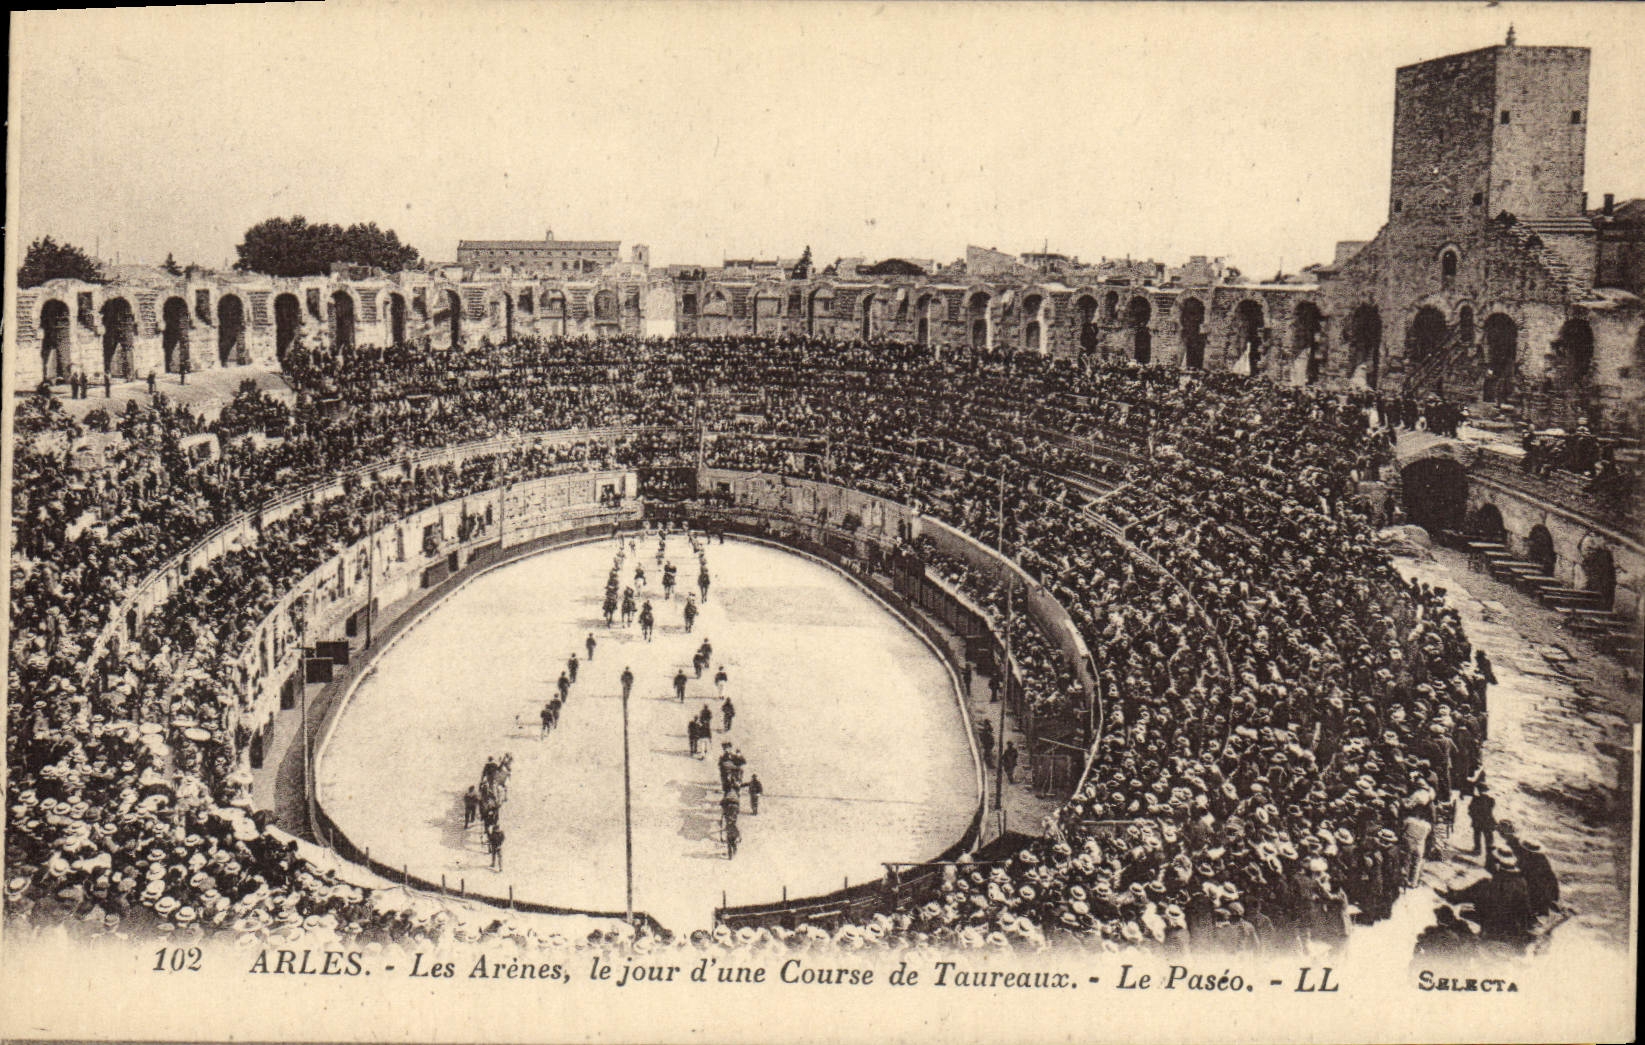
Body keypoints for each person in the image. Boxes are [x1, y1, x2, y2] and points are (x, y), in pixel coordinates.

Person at [1468, 785, 1496, 862]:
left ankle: (1477, 850)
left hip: (1478, 821)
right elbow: (1491, 807)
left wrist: (1473, 816)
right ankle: (1489, 853)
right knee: (1488, 837)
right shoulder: (1491, 800)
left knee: (1477, 835)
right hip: (1487, 821)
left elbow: (1470, 809)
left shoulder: (1475, 799)